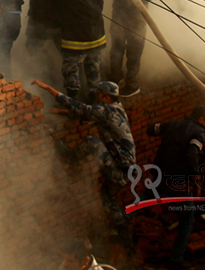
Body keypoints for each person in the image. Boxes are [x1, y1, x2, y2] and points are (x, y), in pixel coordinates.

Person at [32, 79, 136, 228]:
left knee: (93, 142)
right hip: (127, 170)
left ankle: (68, 156)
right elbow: (87, 114)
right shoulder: (116, 108)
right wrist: (62, 112)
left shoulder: (106, 112)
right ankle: (121, 232)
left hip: (120, 170)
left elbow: (78, 106)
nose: (97, 98)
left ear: (107, 97)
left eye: (99, 95)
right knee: (107, 197)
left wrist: (49, 88)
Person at [41, 0, 132, 99]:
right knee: (94, 74)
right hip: (96, 37)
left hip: (75, 39)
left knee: (71, 74)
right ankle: (95, 104)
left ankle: (73, 106)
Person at [145, 104, 205, 267]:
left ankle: (121, 220)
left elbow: (150, 130)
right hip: (179, 182)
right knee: (187, 219)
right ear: (201, 119)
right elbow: (192, 153)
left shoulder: (173, 124)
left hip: (160, 174)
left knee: (143, 200)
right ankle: (176, 260)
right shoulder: (199, 133)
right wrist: (196, 179)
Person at [108, 0, 156, 98]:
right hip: (119, 14)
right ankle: (115, 80)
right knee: (116, 49)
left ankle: (132, 85)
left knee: (135, 51)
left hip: (137, 16)